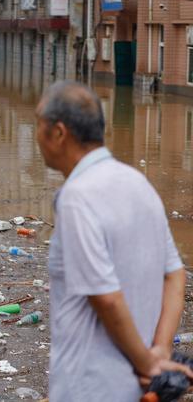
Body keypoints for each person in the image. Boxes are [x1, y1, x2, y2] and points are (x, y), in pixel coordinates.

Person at [35, 81, 193, 401]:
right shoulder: (138, 182)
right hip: (136, 387)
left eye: (38, 124)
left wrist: (146, 360)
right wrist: (159, 352)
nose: (35, 135)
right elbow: (175, 274)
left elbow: (105, 297)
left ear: (59, 133)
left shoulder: (77, 197)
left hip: (90, 385)